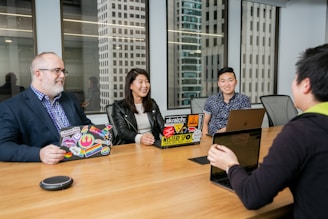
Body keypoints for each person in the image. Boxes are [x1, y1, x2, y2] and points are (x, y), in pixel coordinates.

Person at [207, 43, 328, 218]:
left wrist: (230, 164)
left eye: (295, 78)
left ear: (306, 85)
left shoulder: (300, 131)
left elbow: (253, 196)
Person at [0, 52, 92, 164]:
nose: (62, 75)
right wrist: (39, 154)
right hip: (44, 171)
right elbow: (3, 147)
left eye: (63, 71)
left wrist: (102, 138)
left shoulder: (71, 99)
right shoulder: (12, 107)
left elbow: (87, 127)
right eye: (57, 70)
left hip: (81, 163)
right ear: (38, 74)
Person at [112, 68, 165, 145]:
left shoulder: (152, 103)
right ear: (131, 85)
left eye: (147, 82)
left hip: (153, 145)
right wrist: (141, 138)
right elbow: (122, 132)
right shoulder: (119, 106)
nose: (145, 85)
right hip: (130, 148)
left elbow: (162, 126)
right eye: (140, 82)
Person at [202, 67, 251, 136]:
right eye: (223, 81)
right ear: (218, 83)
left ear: (236, 82)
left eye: (230, 80)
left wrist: (224, 130)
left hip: (235, 138)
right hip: (212, 138)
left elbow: (245, 123)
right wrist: (206, 138)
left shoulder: (243, 99)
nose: (227, 84)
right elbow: (204, 122)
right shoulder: (211, 100)